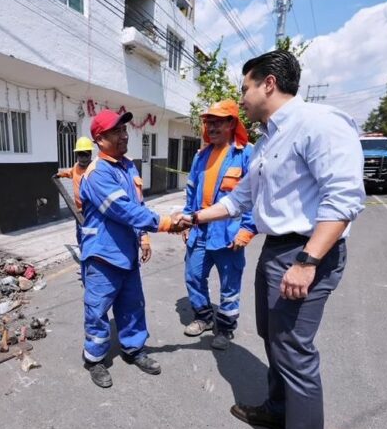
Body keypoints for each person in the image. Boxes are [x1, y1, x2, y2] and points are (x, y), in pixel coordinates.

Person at [171, 50, 365, 429]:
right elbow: (240, 200)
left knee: (294, 350)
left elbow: (344, 198)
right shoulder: (267, 142)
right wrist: (194, 218)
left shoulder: (319, 123)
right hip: (277, 248)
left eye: (245, 88)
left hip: (305, 251)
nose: (242, 98)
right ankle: (279, 409)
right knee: (272, 337)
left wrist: (308, 260)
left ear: (269, 84)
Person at [78, 109, 175, 388]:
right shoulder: (97, 173)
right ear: (100, 139)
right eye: (116, 132)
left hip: (127, 253)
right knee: (97, 310)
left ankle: (133, 349)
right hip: (102, 255)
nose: (124, 135)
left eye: (124, 130)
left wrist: (143, 238)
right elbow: (122, 210)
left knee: (132, 306)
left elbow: (137, 205)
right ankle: (94, 358)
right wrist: (166, 223)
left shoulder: (128, 166)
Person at [181, 99, 257, 350]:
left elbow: (254, 196)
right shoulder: (201, 156)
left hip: (229, 233)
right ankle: (203, 317)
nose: (211, 127)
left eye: (217, 122)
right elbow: (191, 191)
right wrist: (187, 221)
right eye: (208, 122)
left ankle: (225, 327)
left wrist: (247, 230)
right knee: (193, 275)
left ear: (231, 123)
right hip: (200, 230)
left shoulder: (246, 154)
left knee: (229, 282)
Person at [55, 136, 95, 246]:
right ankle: (83, 249)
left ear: (90, 154)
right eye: (80, 155)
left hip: (92, 209)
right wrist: (60, 174)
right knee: (80, 232)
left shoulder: (95, 168)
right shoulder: (76, 167)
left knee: (91, 232)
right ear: (77, 156)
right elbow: (69, 172)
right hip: (78, 209)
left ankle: (91, 250)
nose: (83, 158)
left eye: (86, 155)